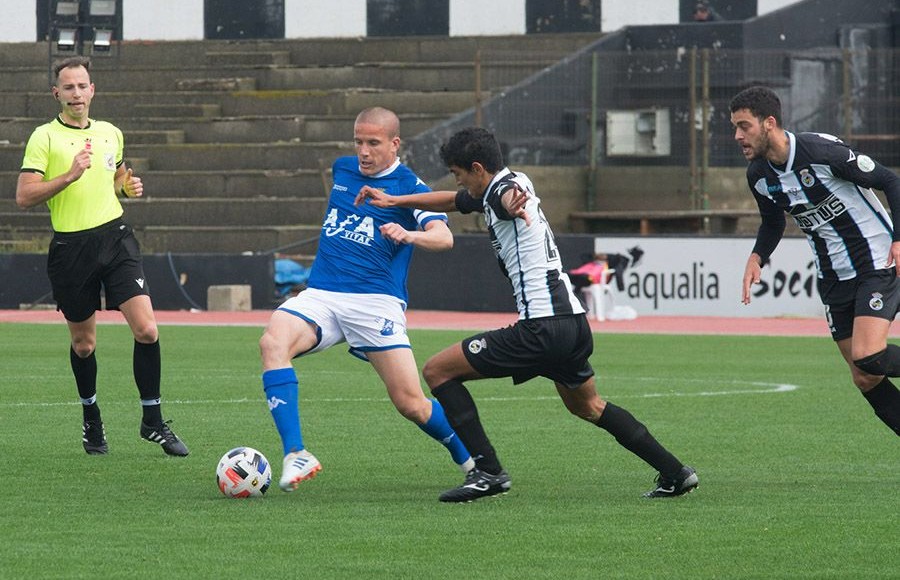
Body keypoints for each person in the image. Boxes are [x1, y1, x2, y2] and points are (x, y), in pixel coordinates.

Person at [355, 127, 698, 502]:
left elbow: (506, 200)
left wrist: (510, 204)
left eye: (459, 174)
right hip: (574, 324)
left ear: (476, 168)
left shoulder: (503, 193)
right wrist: (394, 201)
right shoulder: (507, 181)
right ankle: (675, 472)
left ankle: (488, 472)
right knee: (588, 406)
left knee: (438, 370)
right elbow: (453, 201)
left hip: (542, 328)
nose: (458, 183)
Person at [259, 107, 474, 492]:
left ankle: (472, 459)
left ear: (394, 144)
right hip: (322, 293)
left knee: (411, 404)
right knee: (273, 343)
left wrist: (409, 236)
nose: (363, 151)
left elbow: (444, 239)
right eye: (358, 141)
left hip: (375, 302)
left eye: (373, 143)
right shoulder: (342, 170)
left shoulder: (411, 187)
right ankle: (296, 453)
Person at [15, 56, 188, 457]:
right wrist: (68, 176)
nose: (77, 93)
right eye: (69, 87)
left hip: (116, 239)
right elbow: (24, 196)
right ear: (56, 93)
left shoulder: (111, 133)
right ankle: (91, 418)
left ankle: (152, 420)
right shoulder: (45, 137)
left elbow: (116, 179)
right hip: (71, 248)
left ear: (93, 89)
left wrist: (127, 187)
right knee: (84, 345)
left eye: (83, 86)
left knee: (146, 329)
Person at [731, 86, 900, 437]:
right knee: (864, 376)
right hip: (833, 277)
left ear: (769, 123)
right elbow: (773, 221)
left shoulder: (822, 153)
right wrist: (757, 257)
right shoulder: (759, 176)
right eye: (735, 127)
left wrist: (898, 239)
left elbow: (890, 181)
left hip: (875, 261)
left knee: (869, 355)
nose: (737, 136)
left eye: (744, 126)